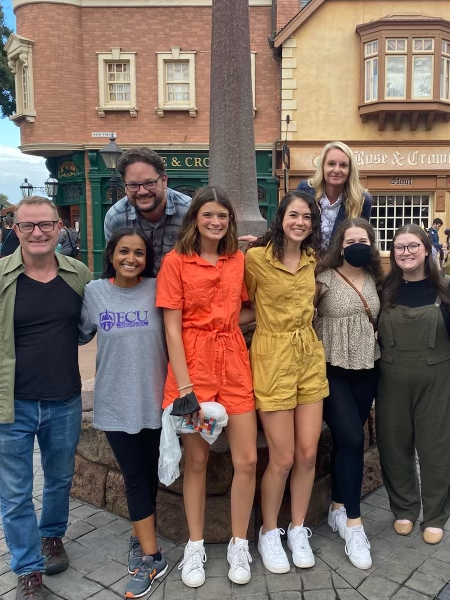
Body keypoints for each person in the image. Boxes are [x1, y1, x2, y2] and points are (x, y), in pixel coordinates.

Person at [0, 196, 92, 600]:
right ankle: (28, 569)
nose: (38, 233)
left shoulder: (78, 275)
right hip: (8, 403)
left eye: (46, 224)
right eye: (28, 226)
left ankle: (51, 537)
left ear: (59, 227)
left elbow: (94, 324)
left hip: (64, 400)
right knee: (14, 492)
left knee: (60, 479)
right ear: (15, 230)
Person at [156, 187, 258, 587]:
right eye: (208, 215)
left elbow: (246, 306)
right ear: (195, 218)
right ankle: (195, 544)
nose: (216, 223)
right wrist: (185, 389)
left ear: (230, 220)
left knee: (247, 459)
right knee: (196, 461)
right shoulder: (176, 261)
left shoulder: (237, 261)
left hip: (233, 362)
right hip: (193, 369)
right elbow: (171, 327)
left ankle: (238, 543)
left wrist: (242, 319)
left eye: (223, 216)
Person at [79, 228, 168, 598]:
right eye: (123, 252)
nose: (131, 259)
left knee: (149, 474)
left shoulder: (158, 289)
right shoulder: (94, 293)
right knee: (133, 475)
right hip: (115, 401)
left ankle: (139, 533)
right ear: (111, 255)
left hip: (155, 399)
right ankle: (152, 557)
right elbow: (77, 333)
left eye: (139, 253)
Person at [245, 191, 328, 573]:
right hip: (272, 356)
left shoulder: (314, 260)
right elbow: (239, 303)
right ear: (280, 219)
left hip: (309, 355)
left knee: (308, 453)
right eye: (294, 215)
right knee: (282, 456)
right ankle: (269, 531)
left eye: (307, 216)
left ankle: (297, 528)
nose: (301, 222)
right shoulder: (256, 259)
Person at [375, 224, 450, 545]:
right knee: (394, 446)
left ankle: (435, 515)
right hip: (390, 377)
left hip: (438, 378)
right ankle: (405, 509)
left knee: (436, 447)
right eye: (399, 248)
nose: (406, 252)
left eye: (412, 246)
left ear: (426, 249)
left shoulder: (449, 289)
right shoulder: (383, 289)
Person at [314, 218, 383, 570]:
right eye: (352, 239)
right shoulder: (322, 280)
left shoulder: (375, 280)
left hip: (366, 368)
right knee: (354, 441)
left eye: (365, 240)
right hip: (332, 370)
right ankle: (355, 525)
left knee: (346, 443)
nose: (358, 244)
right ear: (341, 244)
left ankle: (337, 508)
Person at [104, 147, 191, 274]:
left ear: (164, 180)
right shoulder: (115, 217)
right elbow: (114, 268)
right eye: (133, 185)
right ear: (125, 186)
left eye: (150, 183)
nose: (142, 191)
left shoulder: (189, 212)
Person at [296, 141, 372, 249]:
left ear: (350, 170)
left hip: (339, 263)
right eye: (331, 164)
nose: (337, 170)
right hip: (305, 262)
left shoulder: (362, 200)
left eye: (343, 165)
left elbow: (361, 242)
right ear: (322, 166)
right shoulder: (305, 189)